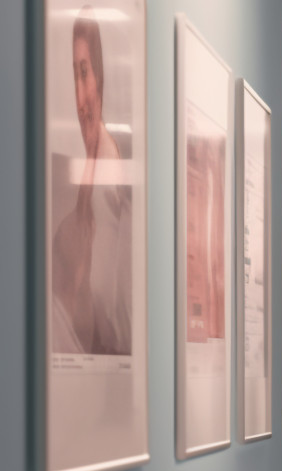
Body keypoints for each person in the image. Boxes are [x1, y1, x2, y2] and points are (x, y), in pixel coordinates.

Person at [51, 6, 132, 356]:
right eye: (75, 75)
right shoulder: (80, 185)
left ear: (103, 75)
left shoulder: (117, 190)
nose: (80, 99)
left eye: (86, 72)